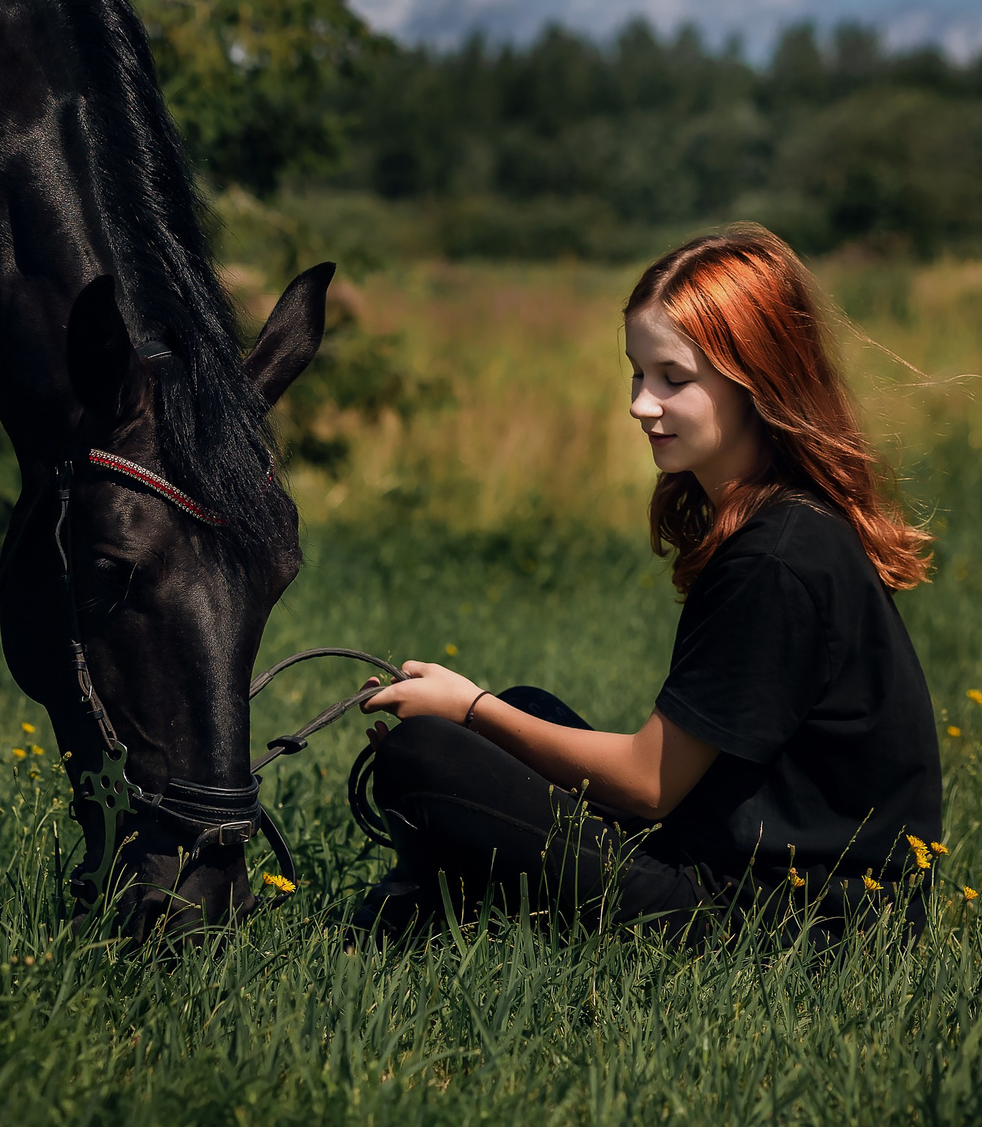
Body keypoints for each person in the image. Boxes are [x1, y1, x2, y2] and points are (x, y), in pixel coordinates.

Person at [350, 224, 943, 941]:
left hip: (785, 921)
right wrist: (492, 718)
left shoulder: (776, 557)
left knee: (429, 754)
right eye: (637, 372)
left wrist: (470, 708)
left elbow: (650, 784)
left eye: (673, 378)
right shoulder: (784, 521)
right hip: (755, 869)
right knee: (525, 712)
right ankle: (443, 907)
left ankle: (415, 915)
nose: (640, 404)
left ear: (757, 379)